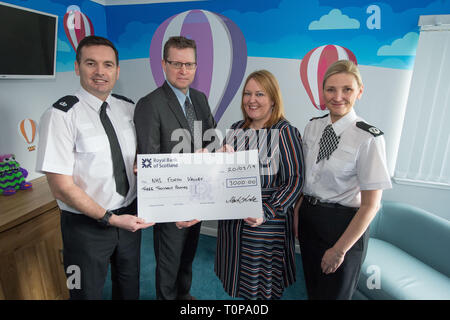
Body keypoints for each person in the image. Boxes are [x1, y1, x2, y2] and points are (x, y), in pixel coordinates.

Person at [36, 35, 154, 300]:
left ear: (117, 70)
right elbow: (62, 188)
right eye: (91, 63)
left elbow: (139, 156)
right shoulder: (60, 116)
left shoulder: (128, 108)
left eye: (108, 65)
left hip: (129, 219)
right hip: (85, 227)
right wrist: (109, 218)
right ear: (77, 68)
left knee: (129, 287)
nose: (100, 72)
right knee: (84, 292)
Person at [294, 60, 392, 300]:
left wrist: (339, 250)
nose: (338, 96)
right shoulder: (313, 127)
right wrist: (298, 213)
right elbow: (307, 180)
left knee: (335, 295)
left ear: (359, 91)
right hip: (310, 218)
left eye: (347, 89)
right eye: (331, 89)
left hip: (344, 226)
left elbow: (371, 205)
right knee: (314, 289)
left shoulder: (368, 138)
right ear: (322, 92)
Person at [134, 36, 217, 300]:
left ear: (196, 66)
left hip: (199, 196)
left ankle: (185, 296)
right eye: (176, 63)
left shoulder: (201, 100)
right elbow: (150, 161)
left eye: (189, 65)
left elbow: (210, 140)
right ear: (164, 64)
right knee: (168, 264)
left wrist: (218, 151)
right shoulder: (150, 104)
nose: (184, 70)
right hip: (170, 204)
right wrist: (170, 208)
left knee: (188, 256)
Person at [215, 70, 304, 299]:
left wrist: (266, 211)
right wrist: (219, 159)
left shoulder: (285, 132)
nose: (251, 100)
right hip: (233, 225)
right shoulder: (236, 129)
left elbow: (295, 180)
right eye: (247, 93)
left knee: (262, 288)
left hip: (265, 226)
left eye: (260, 94)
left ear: (273, 99)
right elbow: (221, 176)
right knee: (240, 282)